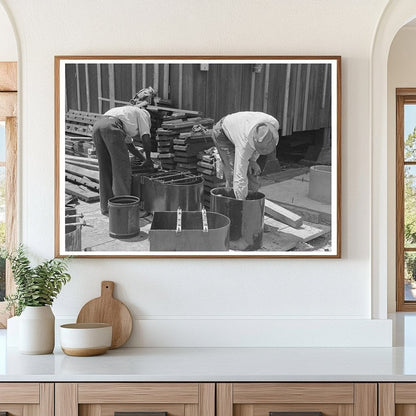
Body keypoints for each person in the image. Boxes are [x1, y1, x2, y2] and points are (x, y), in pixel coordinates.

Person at [92, 104, 153, 215]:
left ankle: (106, 207)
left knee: (105, 169)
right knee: (122, 170)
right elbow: (146, 139)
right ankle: (124, 210)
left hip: (97, 126)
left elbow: (130, 146)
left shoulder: (127, 117)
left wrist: (143, 159)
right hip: (112, 127)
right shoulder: (143, 115)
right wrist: (149, 159)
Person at [211, 111, 280, 200]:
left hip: (240, 129)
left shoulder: (273, 124)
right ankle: (232, 206)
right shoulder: (244, 145)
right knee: (233, 176)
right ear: (253, 141)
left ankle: (252, 202)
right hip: (223, 133)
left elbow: (258, 146)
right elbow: (239, 177)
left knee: (251, 172)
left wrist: (253, 161)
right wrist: (241, 203)